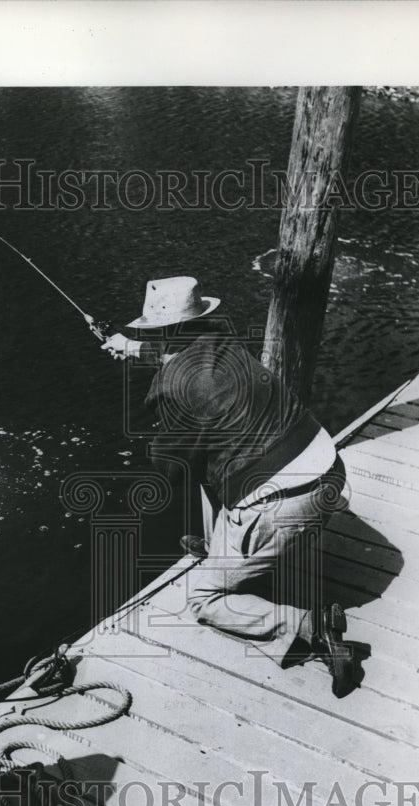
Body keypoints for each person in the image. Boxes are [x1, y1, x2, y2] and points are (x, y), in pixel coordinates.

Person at [102, 275, 363, 698]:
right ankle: (223, 548)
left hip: (286, 507)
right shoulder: (223, 339)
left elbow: (170, 468)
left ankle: (309, 626)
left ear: (159, 331)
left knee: (204, 600)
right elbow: (182, 355)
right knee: (221, 459)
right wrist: (132, 349)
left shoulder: (172, 388)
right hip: (331, 476)